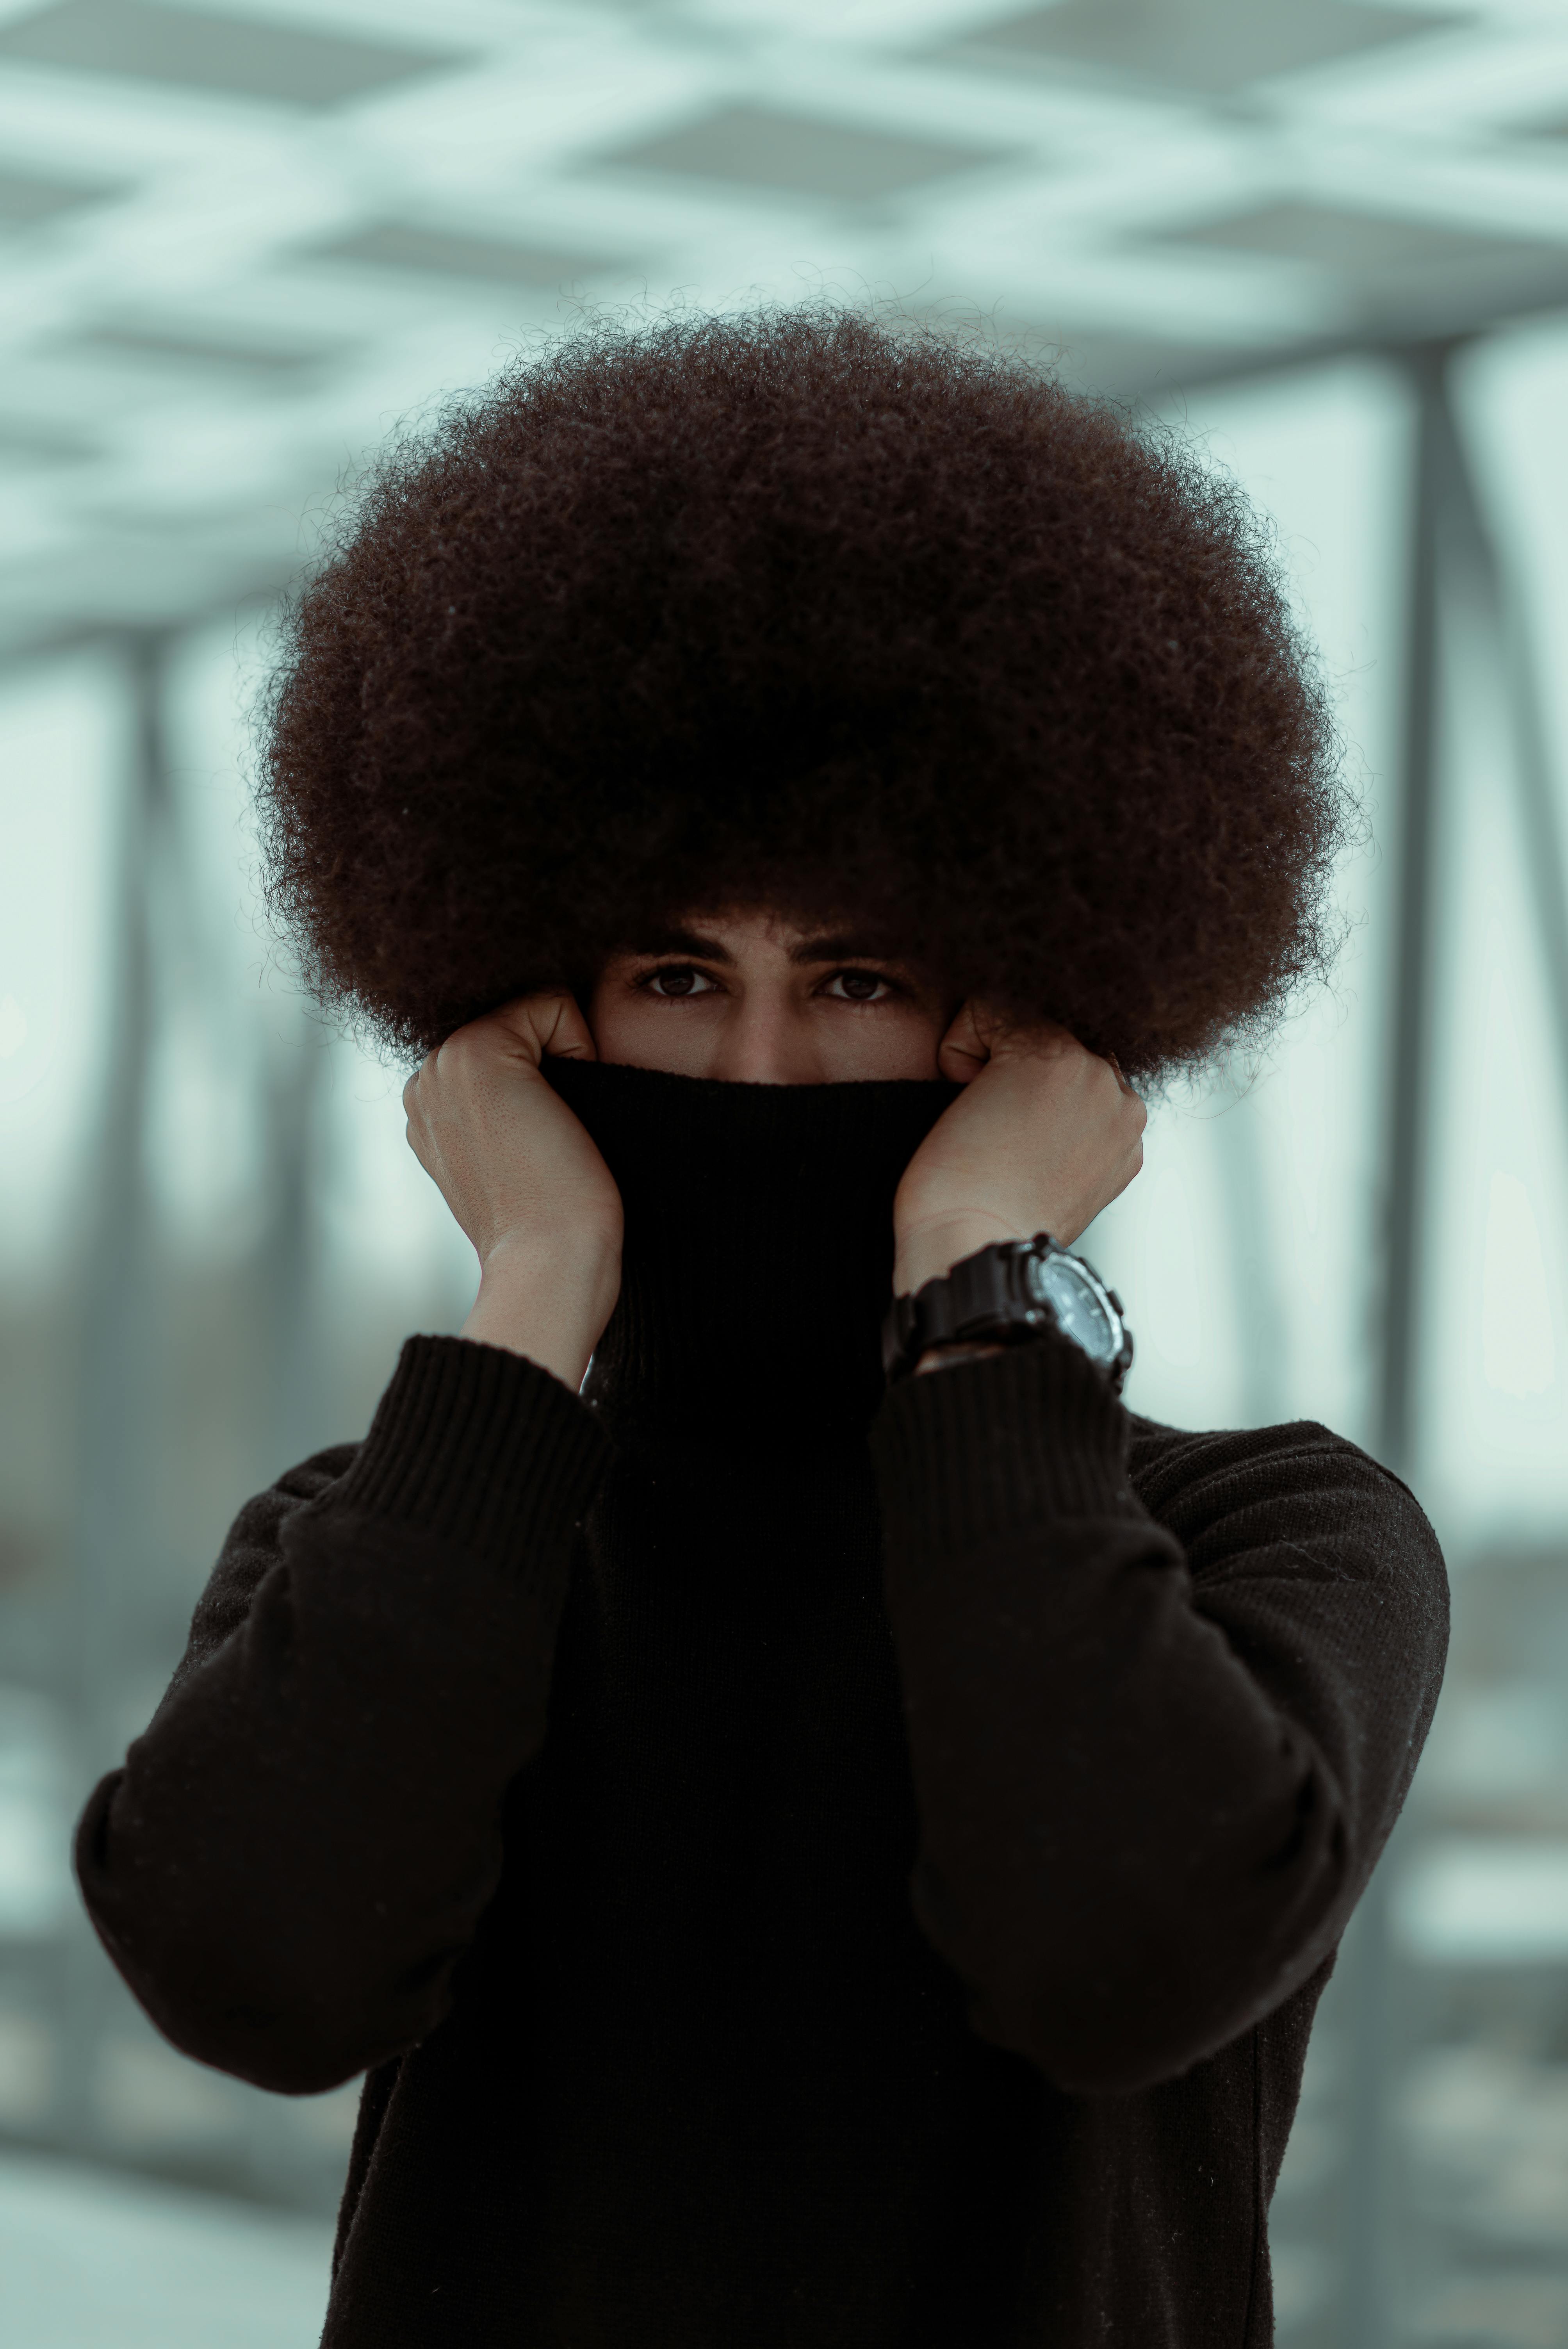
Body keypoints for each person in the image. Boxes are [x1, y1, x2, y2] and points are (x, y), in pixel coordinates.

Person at [74, 308, 1448, 2347]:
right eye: (681, 976)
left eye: (862, 976)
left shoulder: (1282, 1538)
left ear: (1022, 1008)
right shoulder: (398, 1533)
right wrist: (532, 1291)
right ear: (540, 1000)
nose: (773, 1068)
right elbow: (256, 1980)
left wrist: (986, 1275)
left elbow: (1115, 1956)